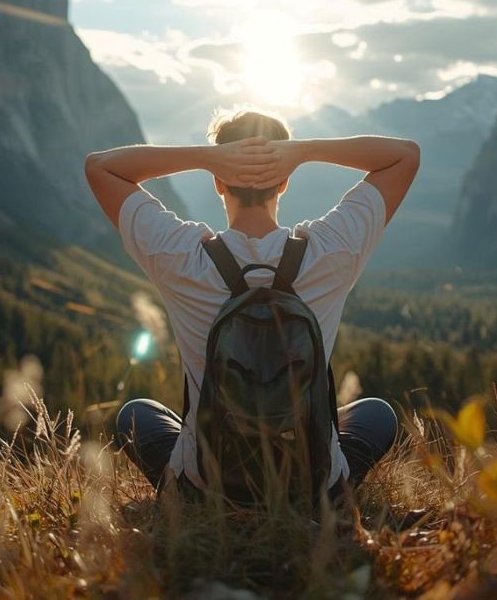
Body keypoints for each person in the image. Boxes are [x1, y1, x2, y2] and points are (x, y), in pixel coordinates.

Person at [85, 108, 420, 502]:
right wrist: (304, 151)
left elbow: (100, 167)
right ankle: (330, 490)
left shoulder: (180, 256)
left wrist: (206, 157)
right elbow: (405, 155)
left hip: (207, 486)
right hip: (312, 486)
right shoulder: (332, 250)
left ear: (217, 183)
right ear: (285, 183)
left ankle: (188, 491)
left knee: (136, 413)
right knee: (377, 413)